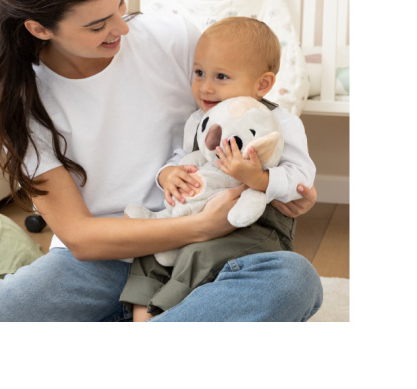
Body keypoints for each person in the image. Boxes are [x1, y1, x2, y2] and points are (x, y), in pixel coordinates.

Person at [0, 0, 322, 322]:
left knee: (293, 280)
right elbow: (81, 236)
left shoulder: (174, 40)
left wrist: (286, 183)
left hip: (209, 255)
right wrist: (202, 226)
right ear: (40, 29)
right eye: (97, 25)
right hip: (103, 262)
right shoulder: (23, 103)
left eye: (120, 3)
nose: (122, 27)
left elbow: (247, 116)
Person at [120, 17, 316, 321]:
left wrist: (257, 178)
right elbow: (185, 156)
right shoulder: (198, 118)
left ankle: (172, 311)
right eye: (199, 73)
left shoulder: (281, 123)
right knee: (149, 250)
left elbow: (301, 178)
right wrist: (167, 175)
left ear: (262, 84)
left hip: (251, 228)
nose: (205, 86)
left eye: (221, 76)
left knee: (198, 256)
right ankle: (141, 319)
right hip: (193, 220)